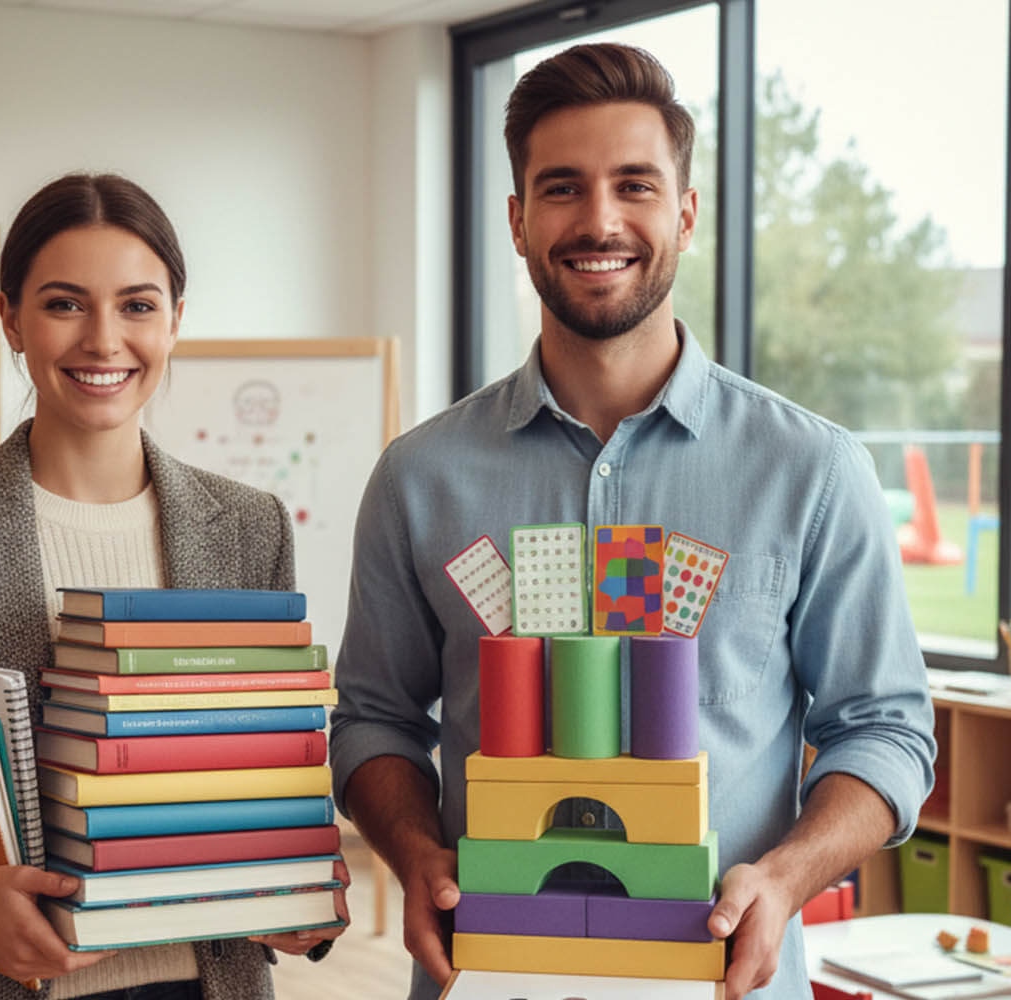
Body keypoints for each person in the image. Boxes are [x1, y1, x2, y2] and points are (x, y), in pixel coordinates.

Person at [329, 43, 935, 1000]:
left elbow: (886, 730)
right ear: (519, 221)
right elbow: (374, 720)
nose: (599, 220)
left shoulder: (812, 470)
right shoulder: (419, 478)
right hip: (490, 975)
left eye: (635, 185)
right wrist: (413, 856)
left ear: (685, 213)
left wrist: (783, 879)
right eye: (562, 189)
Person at [0, 172, 348, 1000]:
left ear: (176, 319)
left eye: (137, 305)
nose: (103, 340)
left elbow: (261, 772)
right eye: (64, 304)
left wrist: (293, 878)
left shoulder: (249, 525)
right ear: (10, 316)